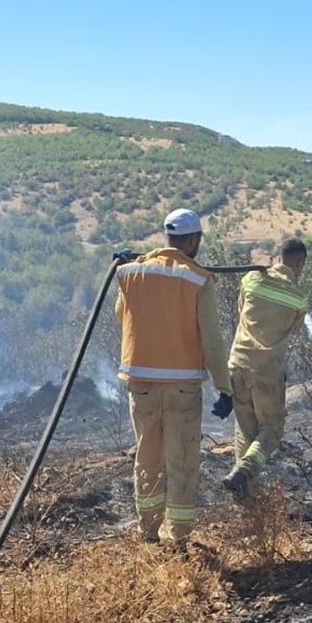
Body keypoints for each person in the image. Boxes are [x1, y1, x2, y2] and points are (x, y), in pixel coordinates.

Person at [115, 208, 234, 544]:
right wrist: (224, 389)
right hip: (182, 388)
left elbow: (120, 315)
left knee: (148, 458)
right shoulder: (199, 280)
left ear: (167, 237)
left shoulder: (130, 272)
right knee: (181, 462)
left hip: (141, 387)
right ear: (194, 240)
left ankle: (147, 532)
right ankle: (178, 539)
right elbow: (212, 340)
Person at [223, 236, 308, 497]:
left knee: (245, 430)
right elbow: (294, 328)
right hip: (267, 371)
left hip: (237, 364)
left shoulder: (250, 280)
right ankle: (245, 470)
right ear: (299, 263)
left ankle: (244, 495)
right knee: (271, 428)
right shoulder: (298, 298)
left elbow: (241, 310)